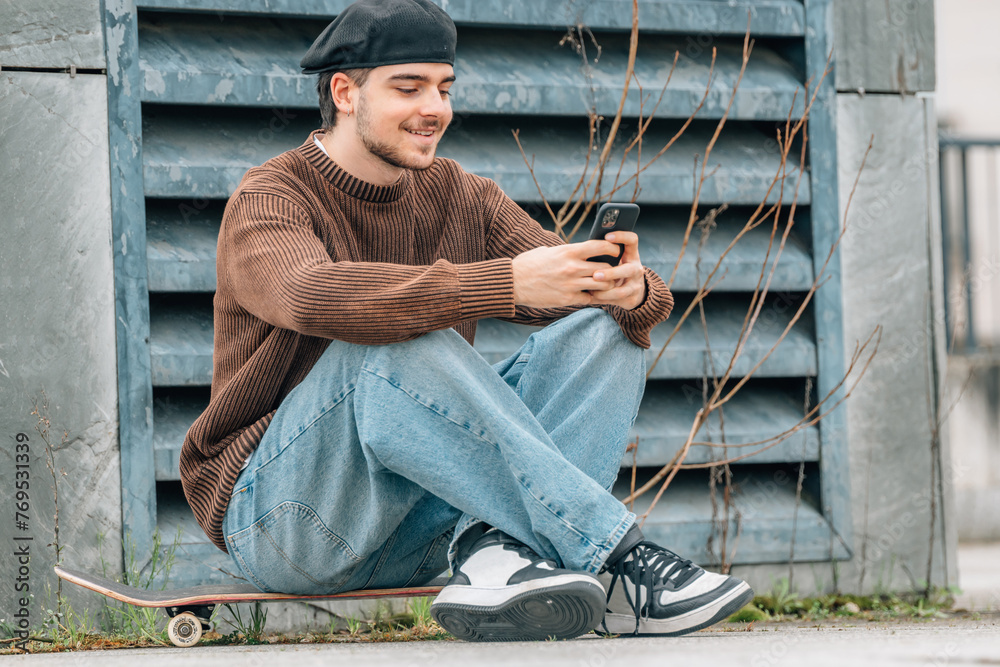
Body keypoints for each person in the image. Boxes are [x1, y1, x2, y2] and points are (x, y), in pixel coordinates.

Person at [180, 0, 753, 642]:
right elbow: (314, 295)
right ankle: (614, 561)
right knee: (396, 339)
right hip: (290, 519)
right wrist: (501, 283)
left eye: (445, 88)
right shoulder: (271, 197)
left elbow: (568, 284)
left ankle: (494, 552)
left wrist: (626, 288)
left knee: (602, 331)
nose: (436, 109)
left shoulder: (460, 194)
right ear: (345, 92)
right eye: (410, 87)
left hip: (426, 525)